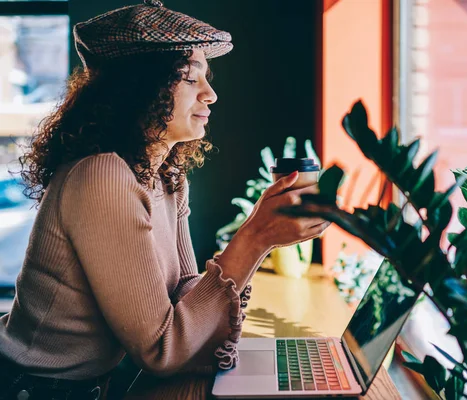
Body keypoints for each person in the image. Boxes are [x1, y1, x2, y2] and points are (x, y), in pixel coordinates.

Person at [0, 1, 329, 398]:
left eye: (206, 78)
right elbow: (162, 350)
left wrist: (262, 236)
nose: (211, 95)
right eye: (191, 78)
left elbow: (185, 293)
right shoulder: (101, 176)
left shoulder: (165, 177)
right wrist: (255, 237)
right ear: (140, 88)